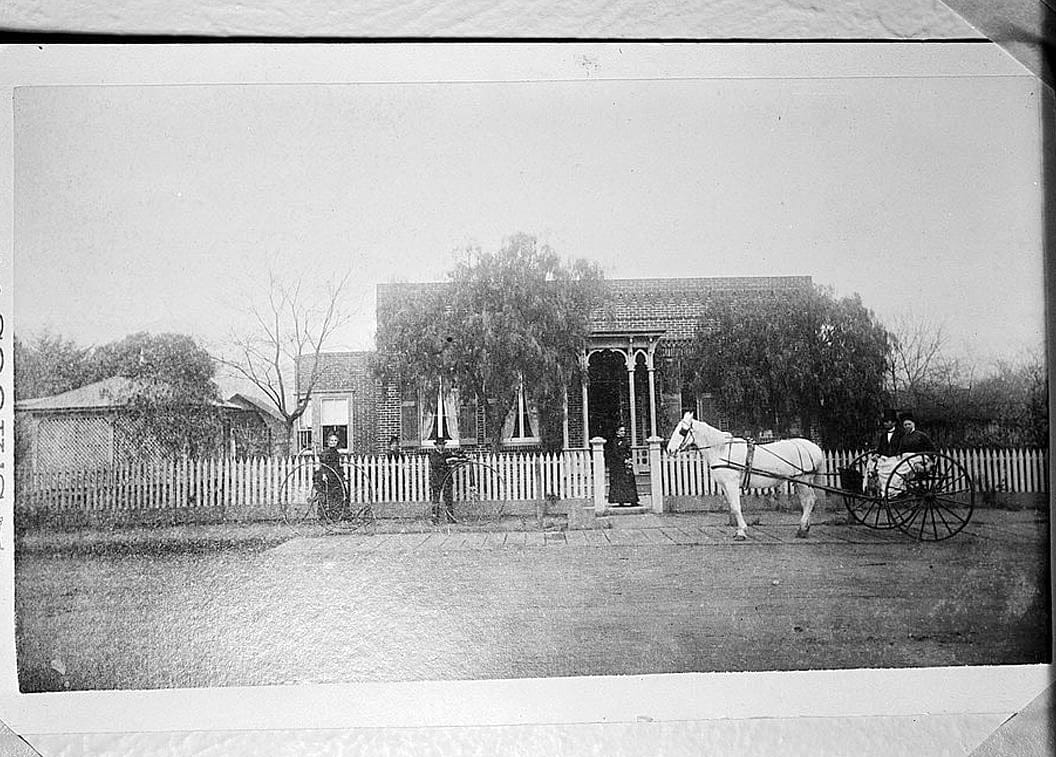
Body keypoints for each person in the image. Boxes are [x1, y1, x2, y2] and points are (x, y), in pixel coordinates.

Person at [428, 436, 461, 524]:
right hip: (437, 479)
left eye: (443, 444)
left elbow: (456, 456)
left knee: (448, 499)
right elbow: (436, 463)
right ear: (436, 445)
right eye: (439, 444)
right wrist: (447, 461)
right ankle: (435, 518)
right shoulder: (433, 454)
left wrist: (461, 457)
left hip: (447, 479)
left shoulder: (447, 454)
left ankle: (450, 518)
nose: (441, 446)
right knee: (436, 499)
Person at [605, 424, 639, 507]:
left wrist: (629, 459)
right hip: (617, 465)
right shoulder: (614, 442)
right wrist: (623, 459)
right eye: (621, 431)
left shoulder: (625, 441)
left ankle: (632, 500)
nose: (623, 433)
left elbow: (628, 450)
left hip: (626, 464)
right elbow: (614, 453)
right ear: (617, 432)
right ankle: (620, 500)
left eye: (624, 431)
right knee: (619, 482)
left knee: (629, 481)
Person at [315, 433, 348, 520]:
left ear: (337, 442)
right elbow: (323, 465)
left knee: (341, 494)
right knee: (327, 495)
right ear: (328, 441)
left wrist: (342, 476)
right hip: (327, 476)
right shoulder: (326, 452)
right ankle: (324, 516)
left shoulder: (335, 452)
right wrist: (324, 474)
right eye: (331, 440)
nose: (333, 442)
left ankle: (338, 514)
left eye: (335, 440)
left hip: (335, 476)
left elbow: (337, 465)